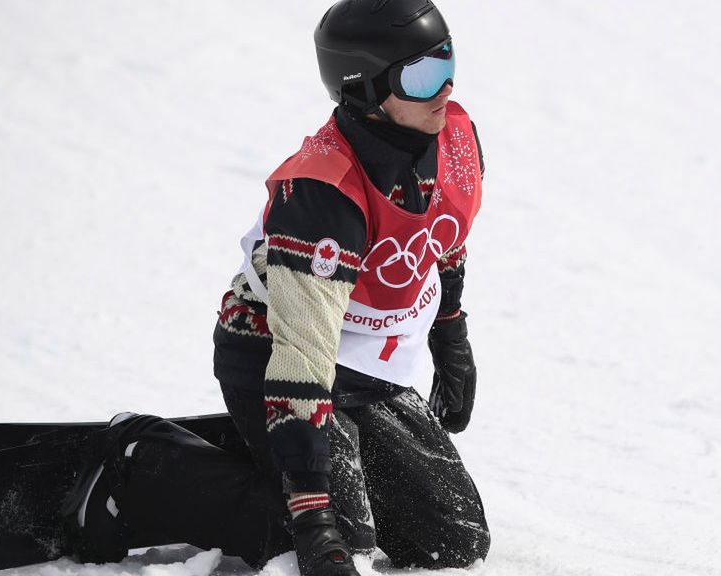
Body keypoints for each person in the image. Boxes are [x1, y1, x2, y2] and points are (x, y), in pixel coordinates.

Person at [63, 2, 489, 575]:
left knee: (454, 541)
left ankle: (284, 448)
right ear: (363, 89)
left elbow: (446, 230)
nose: (445, 85)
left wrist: (451, 333)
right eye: (421, 75)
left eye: (447, 60)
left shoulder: (455, 137)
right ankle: (143, 468)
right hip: (273, 351)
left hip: (364, 365)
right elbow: (302, 362)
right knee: (342, 540)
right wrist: (312, 516)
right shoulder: (322, 195)